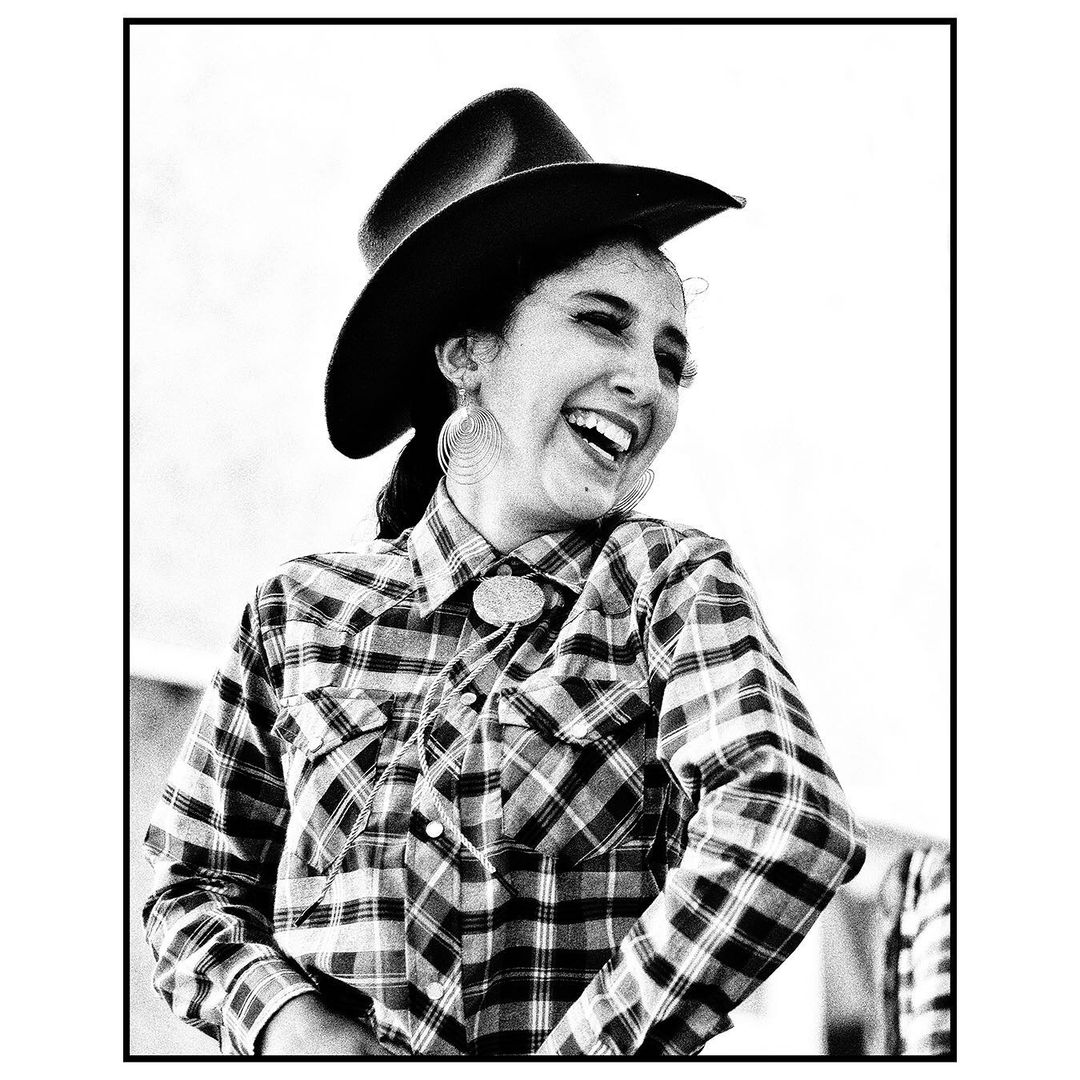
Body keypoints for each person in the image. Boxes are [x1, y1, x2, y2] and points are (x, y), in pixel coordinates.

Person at [143, 88, 866, 1057]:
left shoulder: (668, 586)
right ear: (467, 351)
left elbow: (784, 816)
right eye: (602, 322)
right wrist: (285, 1019)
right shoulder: (298, 612)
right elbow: (190, 888)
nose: (646, 381)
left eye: (672, 360)